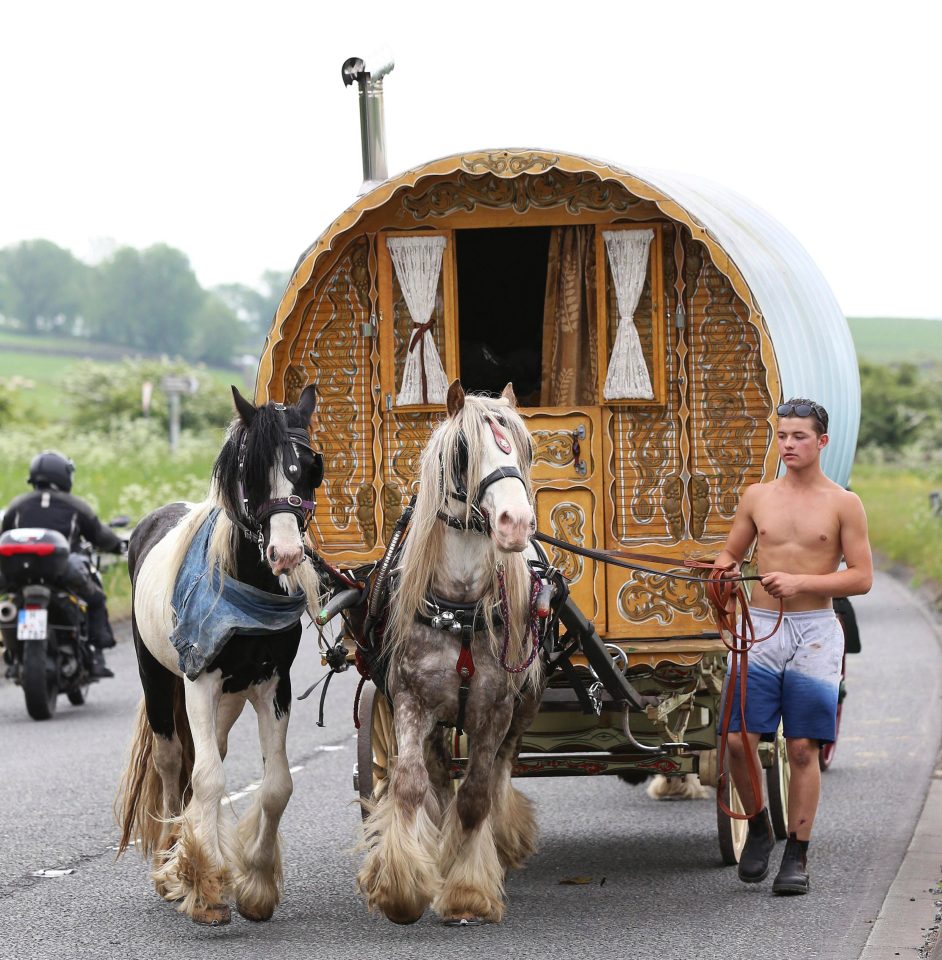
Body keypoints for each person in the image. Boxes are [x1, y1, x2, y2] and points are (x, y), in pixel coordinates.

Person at [713, 398, 872, 895]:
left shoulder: (844, 503)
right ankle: (759, 826)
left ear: (821, 442)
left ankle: (797, 855)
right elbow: (730, 552)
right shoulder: (758, 496)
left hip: (815, 632)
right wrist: (724, 572)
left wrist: (802, 581)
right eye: (782, 436)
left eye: (799, 437)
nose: (788, 445)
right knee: (738, 740)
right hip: (760, 627)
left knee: (803, 747)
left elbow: (862, 578)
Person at [1, 450, 125, 679]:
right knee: (96, 598)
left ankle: (10, 653)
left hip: (19, 574)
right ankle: (98, 655)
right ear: (62, 475)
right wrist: (119, 546)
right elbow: (100, 535)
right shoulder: (75, 506)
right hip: (63, 573)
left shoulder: (17, 505)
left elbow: (4, 534)